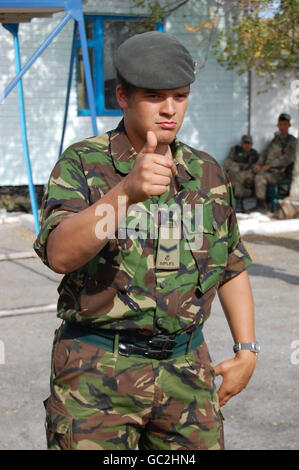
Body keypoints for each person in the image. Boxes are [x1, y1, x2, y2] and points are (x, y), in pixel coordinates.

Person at [33, 31, 259, 451]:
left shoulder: (206, 172)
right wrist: (124, 194)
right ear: (123, 95)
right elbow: (60, 254)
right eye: (155, 97)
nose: (170, 110)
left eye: (180, 95)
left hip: (188, 371)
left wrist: (247, 350)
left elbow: (232, 266)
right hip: (98, 371)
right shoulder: (83, 162)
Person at [253, 113, 297, 212]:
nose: (282, 127)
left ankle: (261, 206)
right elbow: (265, 153)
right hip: (268, 170)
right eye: (280, 124)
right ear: (277, 125)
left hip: (280, 173)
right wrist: (258, 164)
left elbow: (288, 158)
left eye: (284, 124)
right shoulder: (275, 140)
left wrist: (270, 165)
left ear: (289, 125)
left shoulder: (291, 141)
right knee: (250, 174)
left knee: (260, 177)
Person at [223, 135, 259, 212]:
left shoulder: (254, 154)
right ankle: (238, 204)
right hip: (235, 173)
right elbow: (227, 162)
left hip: (248, 175)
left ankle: (239, 204)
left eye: (248, 143)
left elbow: (257, 167)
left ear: (251, 144)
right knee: (234, 178)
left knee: (239, 178)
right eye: (245, 143)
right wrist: (240, 167)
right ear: (241, 143)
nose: (246, 145)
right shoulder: (235, 150)